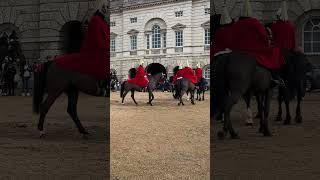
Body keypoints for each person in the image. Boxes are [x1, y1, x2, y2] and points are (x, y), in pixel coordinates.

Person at [231, 0, 285, 86]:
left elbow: (232, 39)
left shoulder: (236, 24)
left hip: (238, 51)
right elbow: (264, 37)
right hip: (254, 51)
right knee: (275, 51)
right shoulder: (255, 22)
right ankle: (275, 76)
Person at [54, 0, 110, 80]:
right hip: (96, 52)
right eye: (106, 7)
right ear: (102, 7)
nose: (107, 9)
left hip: (102, 51)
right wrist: (108, 47)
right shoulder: (96, 20)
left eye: (108, 7)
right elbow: (98, 40)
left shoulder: (102, 21)